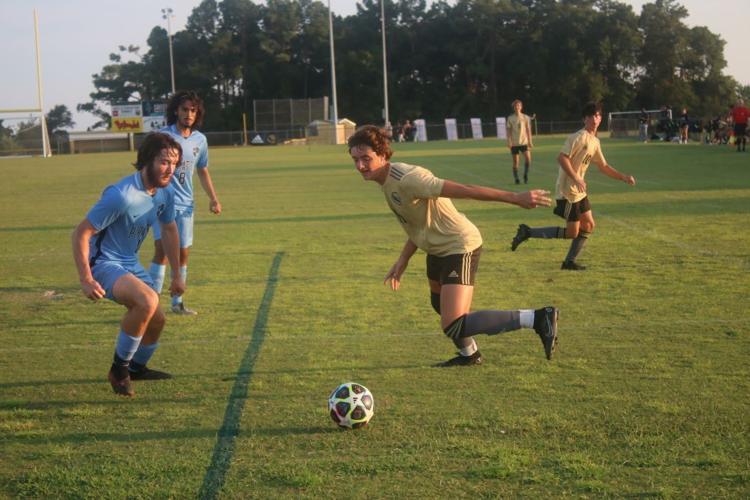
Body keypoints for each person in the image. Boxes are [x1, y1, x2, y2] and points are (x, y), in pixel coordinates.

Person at [348, 125, 559, 367]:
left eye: (366, 159)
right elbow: (416, 225)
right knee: (439, 305)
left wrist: (515, 198)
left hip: (459, 244)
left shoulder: (408, 178)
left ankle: (538, 317)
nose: (360, 166)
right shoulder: (386, 183)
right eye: (355, 159)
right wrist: (402, 261)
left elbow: (466, 190)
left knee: (452, 322)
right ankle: (469, 355)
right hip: (436, 247)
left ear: (383, 154)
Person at [72, 133, 185, 397]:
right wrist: (86, 278)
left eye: (174, 163)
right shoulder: (121, 195)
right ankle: (119, 370)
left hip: (128, 262)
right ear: (146, 160)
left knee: (157, 320)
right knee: (146, 301)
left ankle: (137, 368)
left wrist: (178, 274)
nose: (170, 169)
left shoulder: (165, 193)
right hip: (104, 263)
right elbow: (81, 233)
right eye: (163, 162)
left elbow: (169, 229)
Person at [510, 102, 636, 270]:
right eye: (590, 116)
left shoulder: (595, 141)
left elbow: (603, 166)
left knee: (589, 225)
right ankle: (528, 232)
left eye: (597, 115)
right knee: (572, 233)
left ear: (601, 118)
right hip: (567, 192)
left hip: (579, 192)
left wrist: (623, 177)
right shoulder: (578, 137)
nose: (594, 119)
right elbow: (562, 158)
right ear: (584, 119)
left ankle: (569, 262)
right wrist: (576, 178)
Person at [148, 90, 222, 315]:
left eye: (193, 110)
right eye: (184, 109)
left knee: (183, 253)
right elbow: (148, 168)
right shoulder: (163, 136)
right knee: (161, 250)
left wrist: (213, 198)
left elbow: (202, 170)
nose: (189, 114)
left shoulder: (201, 140)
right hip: (163, 202)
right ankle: (151, 305)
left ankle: (177, 303)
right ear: (176, 111)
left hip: (187, 204)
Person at [506, 99, 534, 184]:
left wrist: (530, 141)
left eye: (518, 106)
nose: (517, 107)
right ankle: (516, 178)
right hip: (514, 143)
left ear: (521, 107)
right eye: (515, 106)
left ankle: (525, 175)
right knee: (516, 162)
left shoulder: (525, 117)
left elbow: (528, 130)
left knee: (528, 159)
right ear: (513, 108)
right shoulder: (510, 118)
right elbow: (508, 131)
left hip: (524, 142)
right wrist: (509, 141)